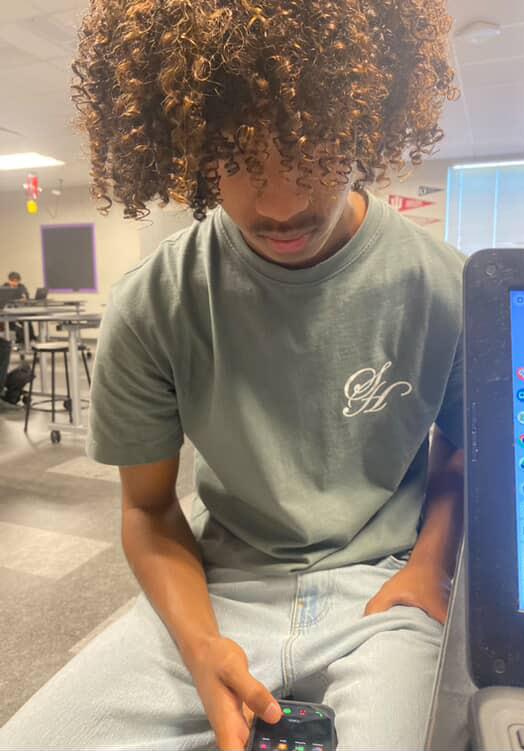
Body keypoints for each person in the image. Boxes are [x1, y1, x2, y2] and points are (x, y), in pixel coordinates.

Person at [0, 1, 465, 749]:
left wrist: (430, 568)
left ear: (366, 121)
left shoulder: (444, 284)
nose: (280, 202)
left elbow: (469, 449)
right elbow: (149, 512)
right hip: (218, 588)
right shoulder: (154, 302)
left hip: (384, 588)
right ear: (186, 146)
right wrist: (200, 645)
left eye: (314, 148)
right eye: (239, 156)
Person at [2, 272, 35, 345]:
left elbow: (26, 296)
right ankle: (18, 340)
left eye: (17, 281)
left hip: (19, 310)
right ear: (9, 280)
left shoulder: (21, 286)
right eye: (13, 281)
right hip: (7, 312)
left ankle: (31, 339)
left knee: (28, 321)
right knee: (14, 324)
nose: (15, 283)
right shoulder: (4, 287)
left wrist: (24, 298)